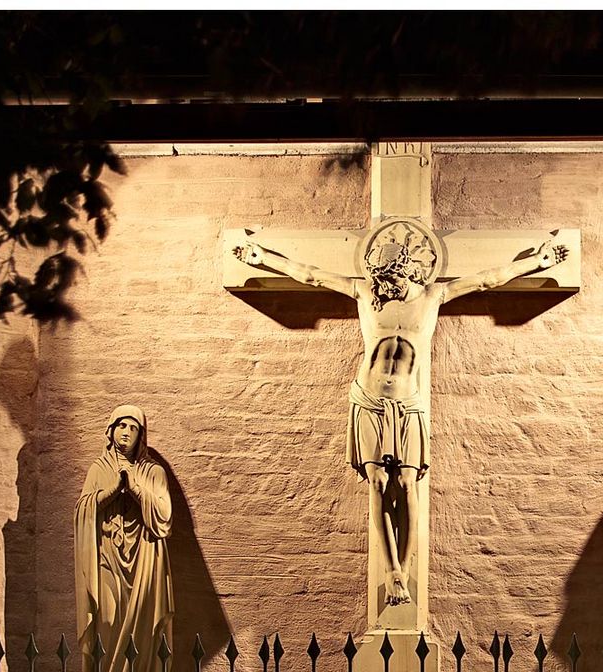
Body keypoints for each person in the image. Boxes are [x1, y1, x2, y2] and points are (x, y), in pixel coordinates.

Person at [234, 219, 567, 606]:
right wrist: (264, 259)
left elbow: (487, 279)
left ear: (407, 268)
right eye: (379, 274)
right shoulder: (364, 292)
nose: (383, 282)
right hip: (369, 400)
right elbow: (311, 275)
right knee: (376, 482)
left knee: (408, 484)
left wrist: (537, 263)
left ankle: (402, 572)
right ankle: (390, 567)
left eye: (390, 274)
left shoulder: (433, 295)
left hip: (409, 404)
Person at [74, 405, 173, 672]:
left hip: (144, 557)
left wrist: (136, 490)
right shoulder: (99, 469)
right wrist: (111, 491)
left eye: (133, 427)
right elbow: (82, 511)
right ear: (111, 430)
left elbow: (164, 517)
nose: (126, 432)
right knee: (107, 616)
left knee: (143, 624)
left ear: (141, 435)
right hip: (107, 556)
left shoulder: (154, 472)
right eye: (121, 425)